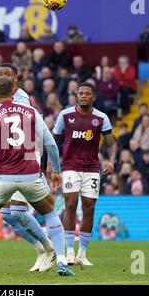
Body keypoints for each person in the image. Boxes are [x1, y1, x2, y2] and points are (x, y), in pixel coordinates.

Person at [0, 76, 74, 277]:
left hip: (2, 177)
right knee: (49, 214)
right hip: (30, 175)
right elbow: (50, 144)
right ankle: (62, 261)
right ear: (14, 90)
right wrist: (56, 169)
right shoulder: (32, 112)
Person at [53, 82, 116, 266]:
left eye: (87, 94)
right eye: (80, 93)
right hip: (70, 166)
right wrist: (52, 164)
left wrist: (111, 161)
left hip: (91, 169)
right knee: (70, 205)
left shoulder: (101, 118)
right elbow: (53, 140)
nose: (83, 96)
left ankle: (82, 254)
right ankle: (69, 252)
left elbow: (112, 143)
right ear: (76, 95)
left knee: (89, 208)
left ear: (93, 97)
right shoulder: (65, 115)